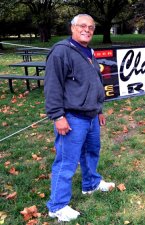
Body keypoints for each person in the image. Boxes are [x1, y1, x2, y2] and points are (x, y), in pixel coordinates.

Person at [44, 14, 115, 222]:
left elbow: (95, 81)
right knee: (66, 161)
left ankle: (91, 184)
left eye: (91, 27)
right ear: (72, 28)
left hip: (91, 115)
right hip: (72, 117)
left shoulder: (89, 52)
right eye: (82, 26)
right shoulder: (61, 52)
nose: (87, 30)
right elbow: (52, 86)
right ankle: (57, 206)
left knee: (91, 152)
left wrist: (99, 109)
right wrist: (58, 116)